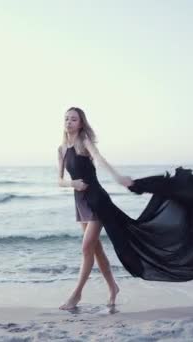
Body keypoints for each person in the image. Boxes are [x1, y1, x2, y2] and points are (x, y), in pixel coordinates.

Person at [57, 106, 133, 310]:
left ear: (81, 123)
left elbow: (99, 159)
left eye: (73, 119)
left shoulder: (84, 142)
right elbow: (60, 181)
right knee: (96, 250)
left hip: (96, 199)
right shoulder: (62, 149)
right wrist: (73, 184)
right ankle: (113, 288)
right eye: (66, 119)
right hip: (80, 201)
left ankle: (76, 295)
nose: (69, 122)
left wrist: (117, 177)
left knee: (85, 247)